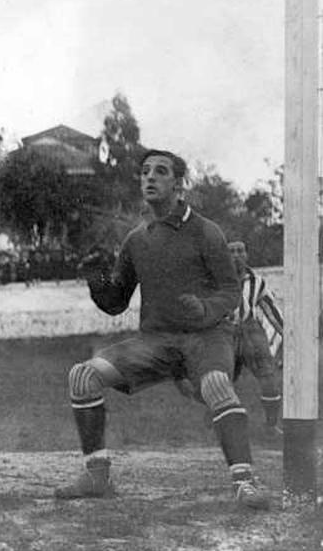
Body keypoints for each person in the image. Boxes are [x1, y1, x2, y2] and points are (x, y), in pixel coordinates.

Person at [55, 149, 270, 509]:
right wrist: (96, 280)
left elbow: (231, 291)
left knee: (217, 384)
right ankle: (97, 476)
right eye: (144, 172)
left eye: (160, 171)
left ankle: (245, 481)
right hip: (155, 342)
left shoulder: (206, 232)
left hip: (206, 338)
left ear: (180, 184)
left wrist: (205, 308)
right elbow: (116, 303)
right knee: (82, 376)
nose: (149, 177)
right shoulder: (137, 240)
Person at [226, 240, 284, 436]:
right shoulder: (216, 280)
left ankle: (270, 425)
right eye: (231, 251)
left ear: (247, 254)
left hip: (251, 331)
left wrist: (288, 335)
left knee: (269, 377)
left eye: (240, 251)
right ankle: (219, 426)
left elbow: (271, 311)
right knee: (219, 380)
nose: (236, 255)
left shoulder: (257, 282)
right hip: (223, 333)